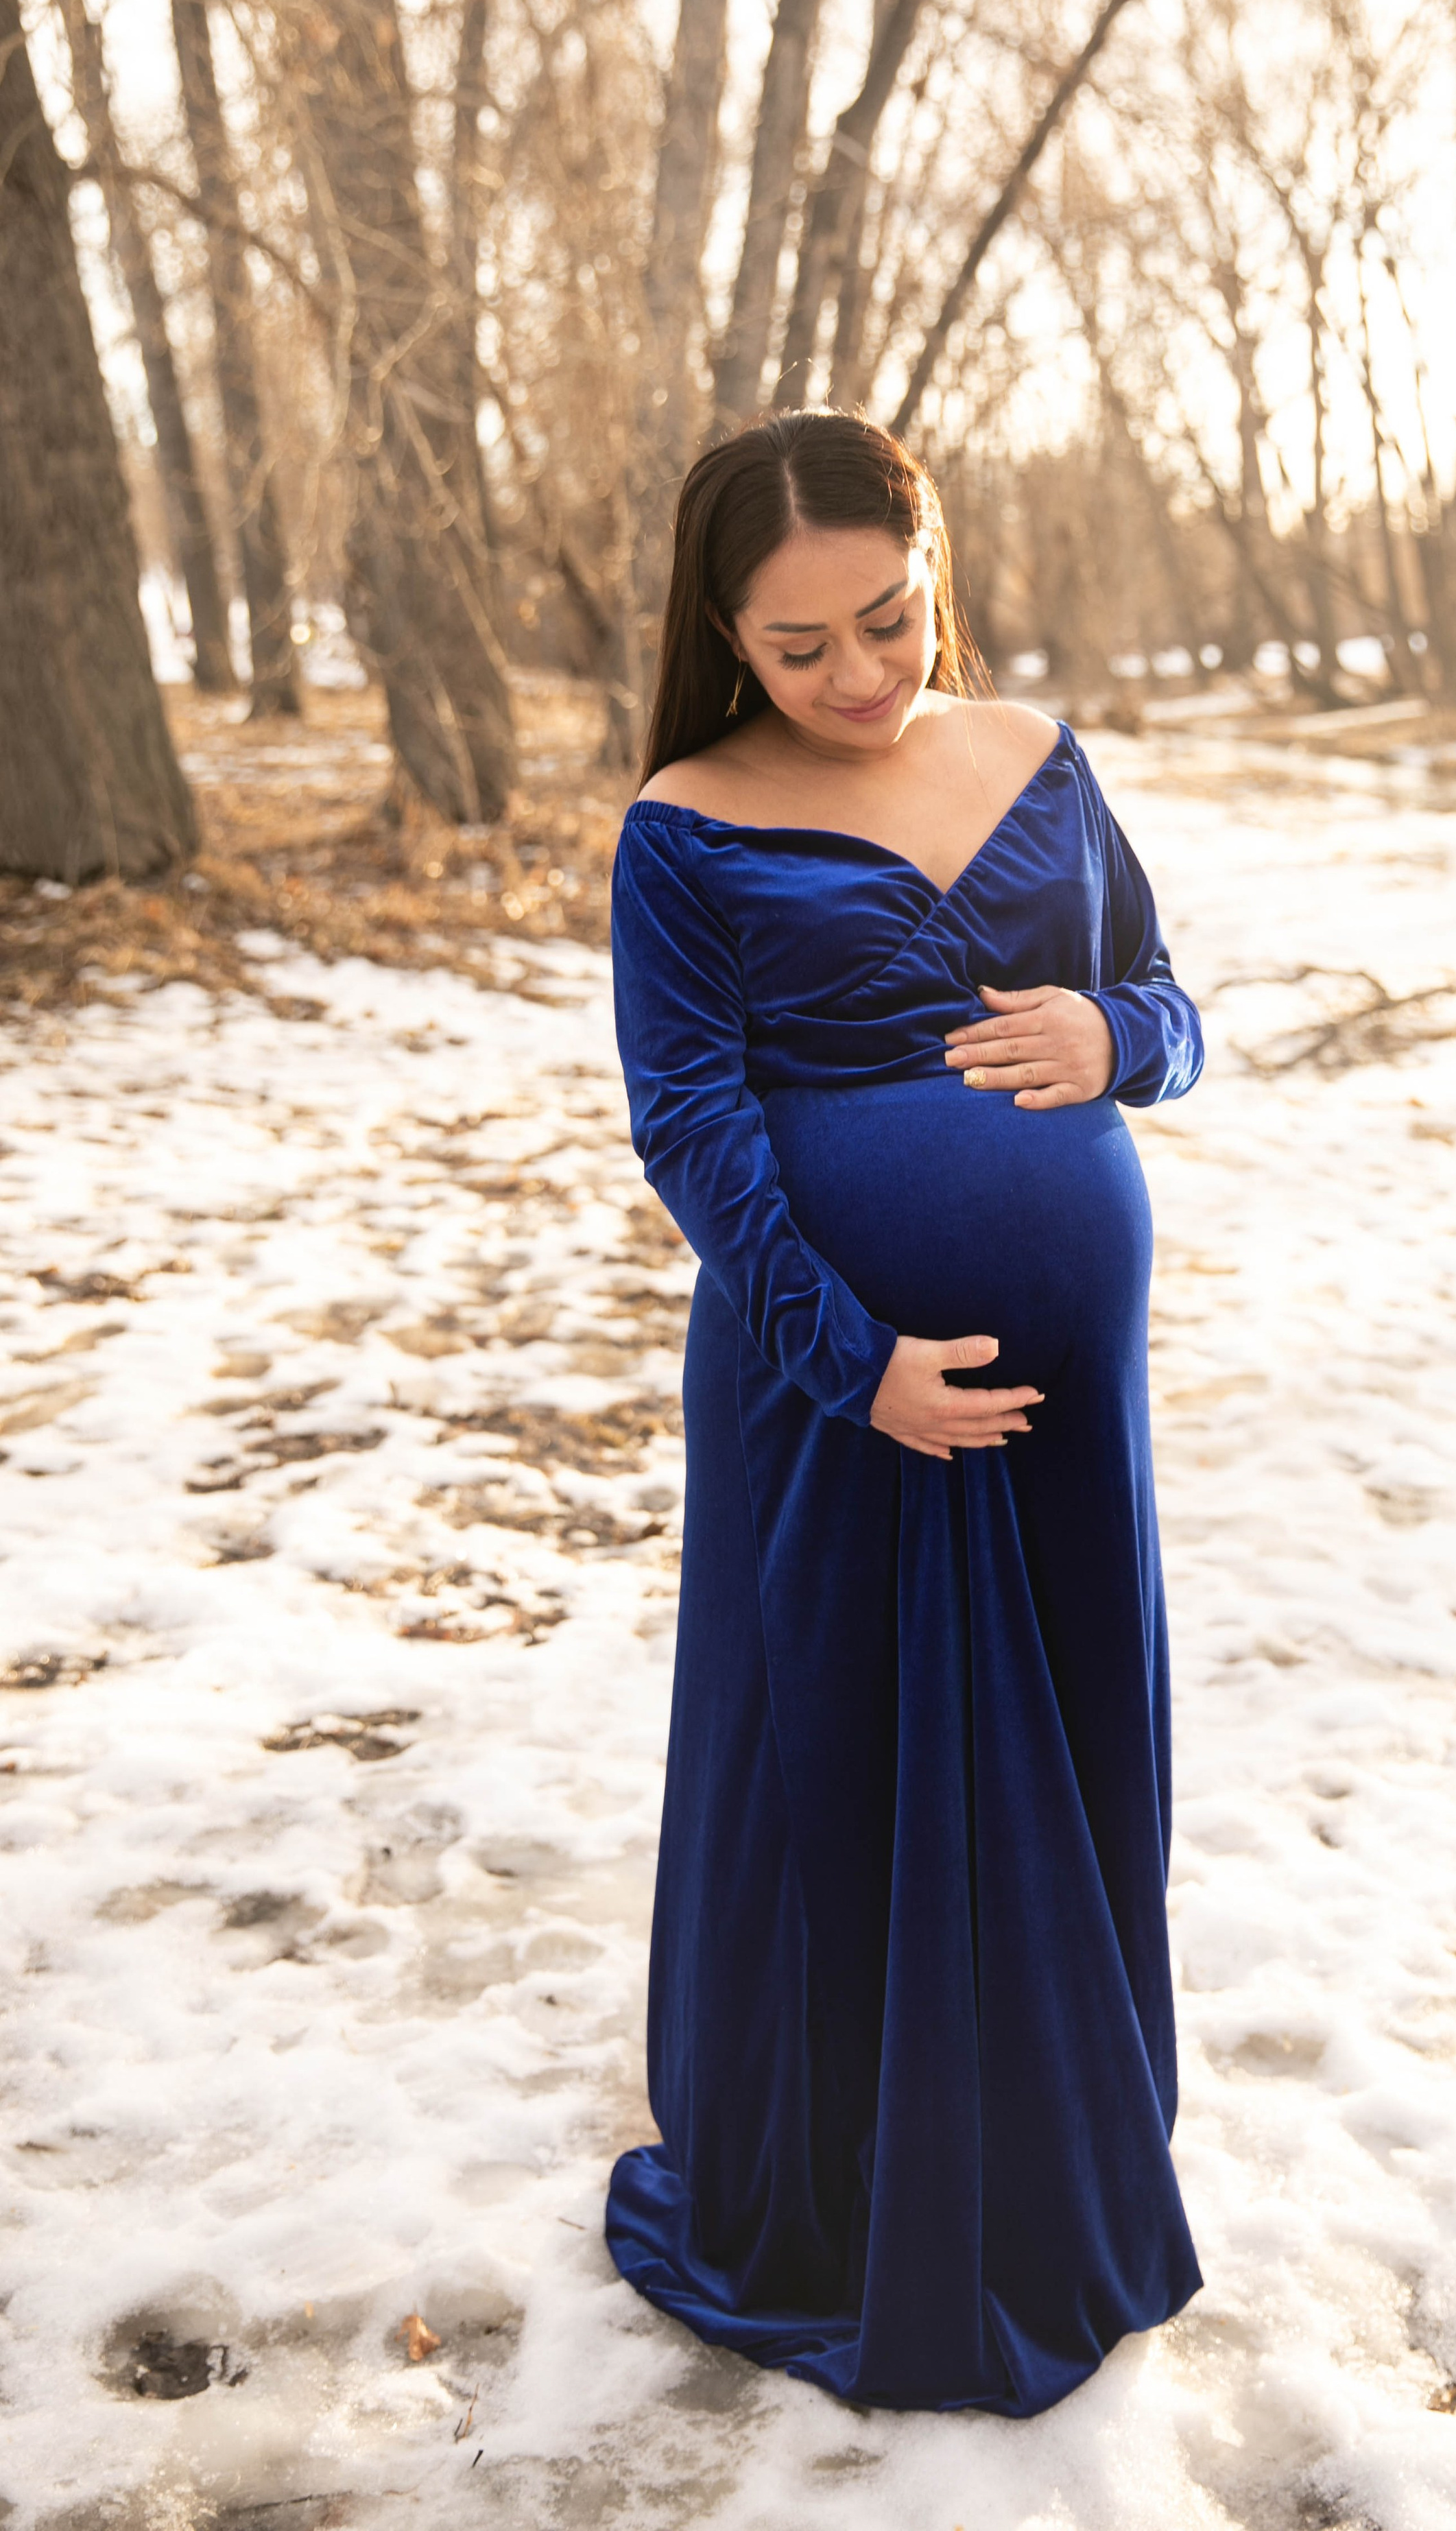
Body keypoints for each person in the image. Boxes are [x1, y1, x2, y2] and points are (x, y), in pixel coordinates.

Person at [605, 409, 1204, 2416]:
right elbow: (689, 1129)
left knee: (1071, 1736)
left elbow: (1175, 1005)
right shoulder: (686, 821)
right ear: (722, 634)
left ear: (934, 560)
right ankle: (859, 2202)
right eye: (801, 651)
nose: (861, 680)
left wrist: (1114, 1029)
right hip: (832, 1396)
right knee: (844, 1759)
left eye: (890, 617)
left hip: (1062, 1412)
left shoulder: (1035, 752)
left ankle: (1054, 2173)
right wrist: (855, 1364)